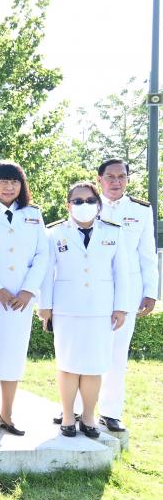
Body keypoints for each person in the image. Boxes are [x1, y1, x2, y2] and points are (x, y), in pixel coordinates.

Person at [40, 182, 129, 439]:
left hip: (101, 310)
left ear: (98, 204)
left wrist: (121, 307)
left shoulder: (114, 232)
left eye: (90, 200)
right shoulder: (55, 233)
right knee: (68, 365)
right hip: (66, 309)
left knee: (94, 366)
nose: (84, 205)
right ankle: (69, 416)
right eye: (77, 201)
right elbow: (46, 272)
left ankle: (89, 416)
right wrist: (45, 306)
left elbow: (121, 273)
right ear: (68, 205)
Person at [0, 161, 48, 436]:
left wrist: (29, 290)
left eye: (14, 181)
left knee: (13, 358)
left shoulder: (33, 215)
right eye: (2, 181)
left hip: (20, 302)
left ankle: (8, 414)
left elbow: (42, 255)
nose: (8, 186)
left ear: (21, 186)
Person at [93, 159, 158, 432]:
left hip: (127, 292)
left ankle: (110, 412)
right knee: (85, 349)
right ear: (99, 179)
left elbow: (147, 253)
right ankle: (75, 409)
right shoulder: (87, 203)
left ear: (128, 179)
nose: (116, 181)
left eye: (121, 176)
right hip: (92, 290)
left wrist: (151, 292)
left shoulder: (140, 210)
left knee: (117, 354)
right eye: (110, 176)